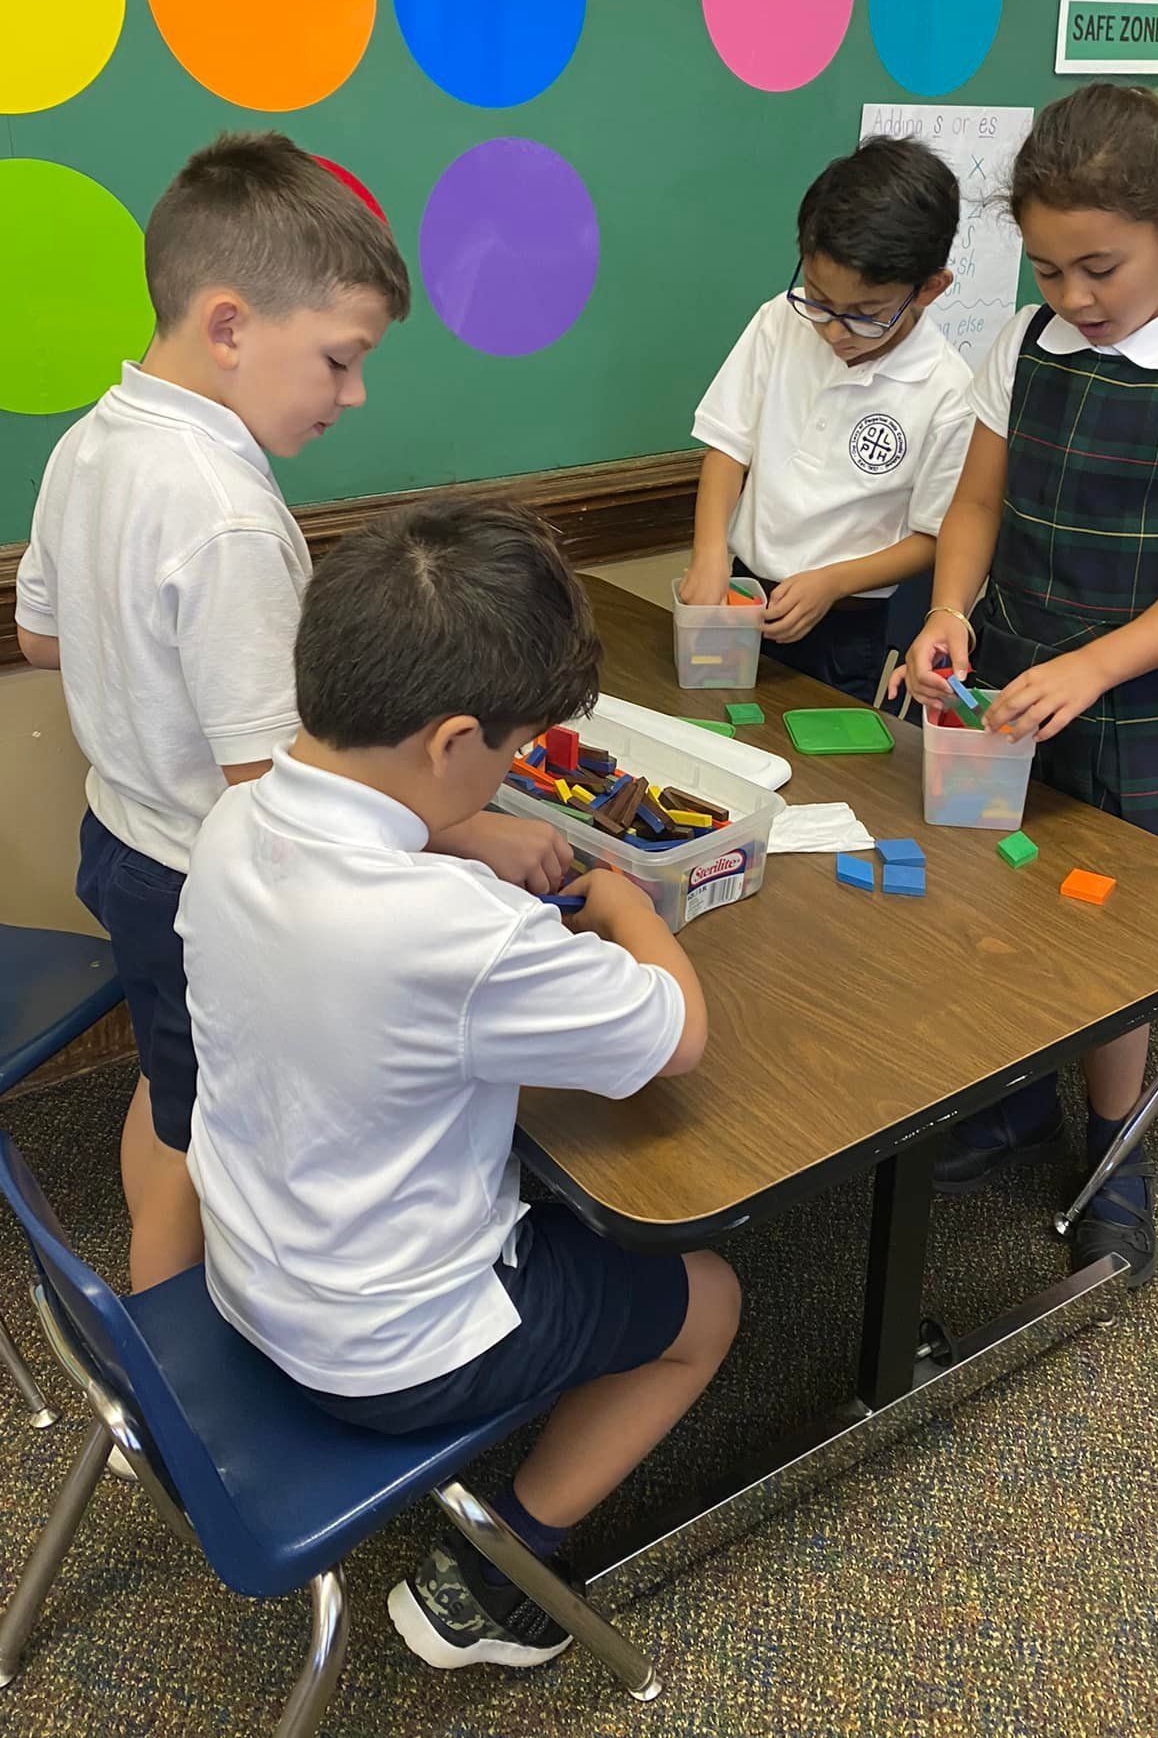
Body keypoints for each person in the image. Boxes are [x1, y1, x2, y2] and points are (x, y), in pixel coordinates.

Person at [181, 499, 741, 1671]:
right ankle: (500, 1575)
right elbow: (678, 1035)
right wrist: (628, 903)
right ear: (451, 743)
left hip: (250, 1270)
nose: (513, 773)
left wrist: (459, 836)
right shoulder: (455, 930)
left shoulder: (229, 824)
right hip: (389, 1346)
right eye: (513, 751)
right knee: (709, 1295)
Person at [14, 134, 564, 1291]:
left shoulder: (92, 440)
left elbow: (40, 635)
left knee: (171, 1080)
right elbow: (282, 787)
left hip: (120, 838)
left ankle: (155, 1291)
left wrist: (144, 661)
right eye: (340, 359)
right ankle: (164, 1352)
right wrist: (476, 831)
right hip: (199, 873)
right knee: (201, 1127)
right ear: (229, 325)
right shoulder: (221, 510)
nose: (353, 393)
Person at [898, 84, 1158, 1285]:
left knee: (1114, 931)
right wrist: (949, 610)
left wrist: (1095, 665)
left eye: (1101, 268)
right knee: (998, 886)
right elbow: (976, 502)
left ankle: (1117, 1140)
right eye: (1048, 268)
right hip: (1016, 674)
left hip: (1136, 700)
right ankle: (1018, 1096)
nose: (1074, 296)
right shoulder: (1026, 341)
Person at [682, 136, 976, 704]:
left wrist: (833, 582)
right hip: (742, 591)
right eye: (818, 299)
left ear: (930, 289)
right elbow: (727, 446)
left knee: (814, 744)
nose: (835, 330)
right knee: (715, 718)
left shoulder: (948, 392)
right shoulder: (780, 322)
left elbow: (932, 536)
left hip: (846, 619)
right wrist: (709, 551)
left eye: (866, 314)